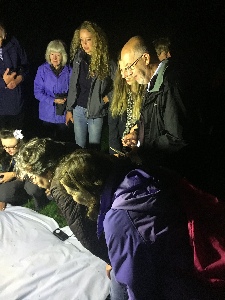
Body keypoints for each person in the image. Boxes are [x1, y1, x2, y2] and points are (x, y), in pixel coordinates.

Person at [51, 149, 212, 299]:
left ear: (87, 187)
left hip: (178, 281)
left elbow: (135, 283)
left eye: (72, 193)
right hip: (190, 254)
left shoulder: (119, 219)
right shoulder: (138, 178)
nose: (74, 199)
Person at [15, 137, 109, 262]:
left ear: (47, 171)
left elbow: (84, 232)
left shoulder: (61, 188)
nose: (34, 182)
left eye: (33, 178)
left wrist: (110, 259)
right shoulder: (64, 149)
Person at [66, 20, 116, 149]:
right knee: (79, 148)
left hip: (95, 111)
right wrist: (69, 109)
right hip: (78, 109)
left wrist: (105, 99)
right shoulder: (78, 58)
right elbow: (73, 85)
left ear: (97, 39)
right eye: (81, 40)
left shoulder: (106, 61)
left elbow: (120, 85)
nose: (84, 44)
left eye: (88, 39)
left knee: (94, 148)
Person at [0, 129, 49, 211]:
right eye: (5, 146)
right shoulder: (4, 152)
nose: (8, 150)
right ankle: (23, 197)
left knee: (32, 188)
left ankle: (41, 203)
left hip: (32, 178)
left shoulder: (31, 151)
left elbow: (35, 172)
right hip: (18, 179)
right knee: (3, 193)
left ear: (20, 142)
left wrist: (13, 174)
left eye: (12, 146)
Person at [34, 39, 73, 142]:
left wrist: (67, 102)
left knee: (63, 143)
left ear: (63, 55)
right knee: (47, 144)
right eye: (52, 54)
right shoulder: (42, 70)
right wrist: (53, 100)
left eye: (58, 54)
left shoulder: (69, 70)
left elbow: (74, 91)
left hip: (63, 114)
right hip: (47, 115)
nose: (54, 58)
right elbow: (37, 92)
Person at [108, 59, 146, 155]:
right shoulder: (119, 93)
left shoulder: (147, 93)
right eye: (121, 70)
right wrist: (114, 152)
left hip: (143, 147)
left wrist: (135, 133)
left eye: (127, 68)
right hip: (124, 145)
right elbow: (113, 126)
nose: (124, 75)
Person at [0, 22, 29, 129]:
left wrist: (19, 79)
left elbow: (26, 66)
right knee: (3, 140)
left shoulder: (14, 43)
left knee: (17, 137)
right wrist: (3, 82)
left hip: (15, 105)